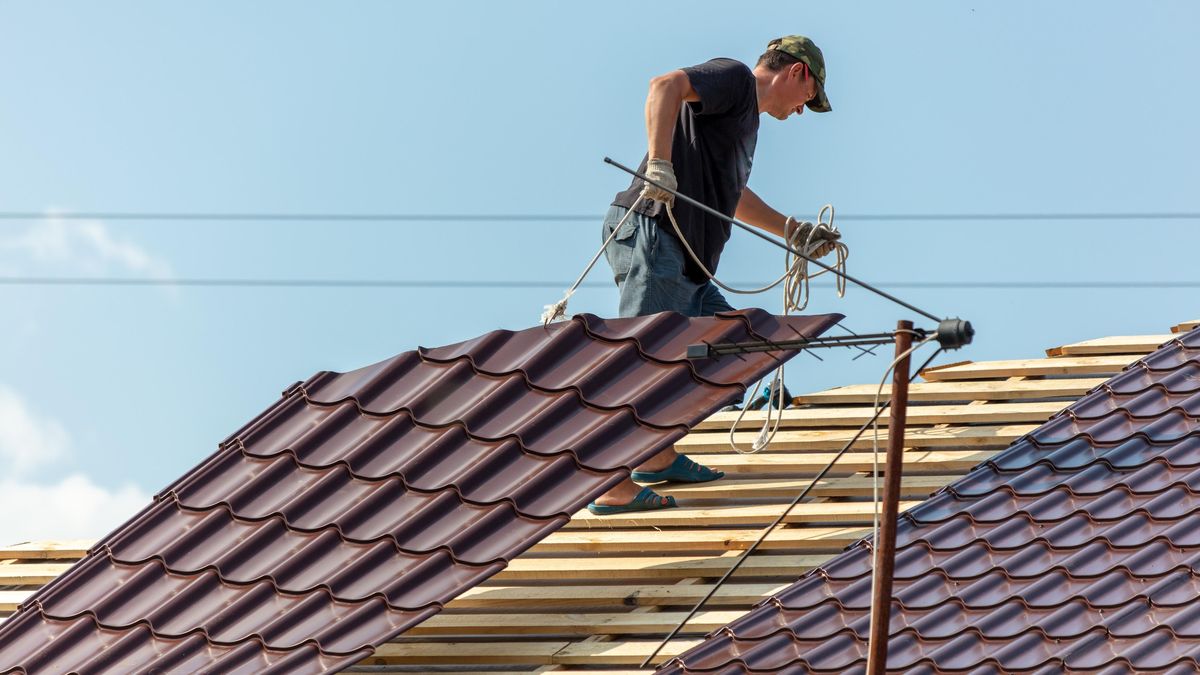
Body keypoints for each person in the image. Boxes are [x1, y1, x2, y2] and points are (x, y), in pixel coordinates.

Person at [587, 35, 840, 515]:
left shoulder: (743, 120)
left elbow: (732, 193)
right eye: (811, 97)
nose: (804, 110)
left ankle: (657, 456)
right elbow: (664, 85)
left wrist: (793, 232)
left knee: (735, 348)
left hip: (688, 262)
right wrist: (659, 165)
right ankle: (611, 483)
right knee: (644, 360)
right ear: (798, 73)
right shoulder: (736, 80)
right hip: (657, 235)